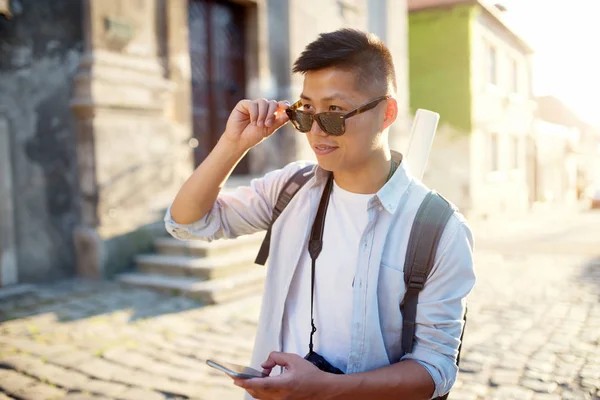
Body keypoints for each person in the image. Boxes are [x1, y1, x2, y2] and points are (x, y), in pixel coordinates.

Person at [165, 29, 476, 400]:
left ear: (386, 112)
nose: (315, 131)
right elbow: (187, 222)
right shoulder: (290, 188)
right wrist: (234, 144)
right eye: (306, 110)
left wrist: (326, 389)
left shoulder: (439, 228)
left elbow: (435, 369)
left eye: (334, 112)